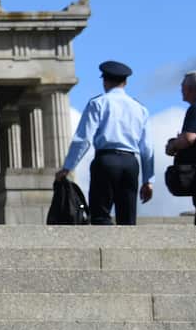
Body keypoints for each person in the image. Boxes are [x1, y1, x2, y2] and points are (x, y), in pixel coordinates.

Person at [56, 60, 154, 225]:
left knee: (100, 215)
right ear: (125, 82)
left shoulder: (98, 103)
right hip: (130, 162)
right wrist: (148, 180)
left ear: (105, 81)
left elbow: (83, 139)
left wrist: (68, 167)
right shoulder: (140, 108)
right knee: (128, 218)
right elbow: (147, 148)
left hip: (106, 161)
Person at [166, 69, 196, 225]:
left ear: (190, 89)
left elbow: (189, 138)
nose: (181, 90)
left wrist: (173, 145)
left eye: (183, 86)